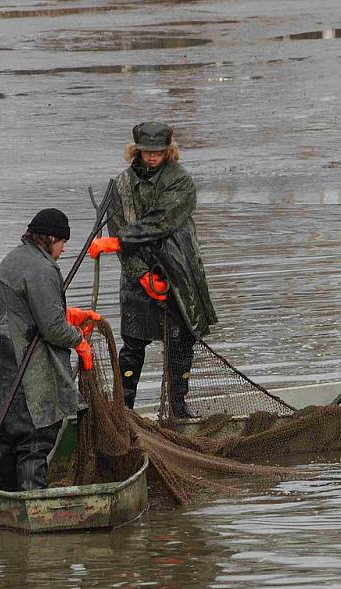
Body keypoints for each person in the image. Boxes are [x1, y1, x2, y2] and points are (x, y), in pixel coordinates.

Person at [88, 121, 218, 418]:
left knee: (180, 342)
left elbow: (162, 222)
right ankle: (124, 411)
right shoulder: (119, 186)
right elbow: (118, 232)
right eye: (147, 152)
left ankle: (179, 408)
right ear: (136, 150)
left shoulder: (181, 182)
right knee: (133, 345)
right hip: (136, 279)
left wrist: (120, 241)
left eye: (158, 152)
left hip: (178, 274)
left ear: (168, 151)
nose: (152, 157)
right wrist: (142, 275)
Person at [0, 208, 98, 491]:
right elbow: (52, 328)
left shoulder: (14, 258)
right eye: (62, 243)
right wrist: (79, 340)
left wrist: (67, 313)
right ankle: (33, 503)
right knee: (35, 434)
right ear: (50, 239)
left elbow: (24, 310)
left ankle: (7, 498)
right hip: (22, 364)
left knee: (4, 436)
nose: (64, 249)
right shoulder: (42, 268)